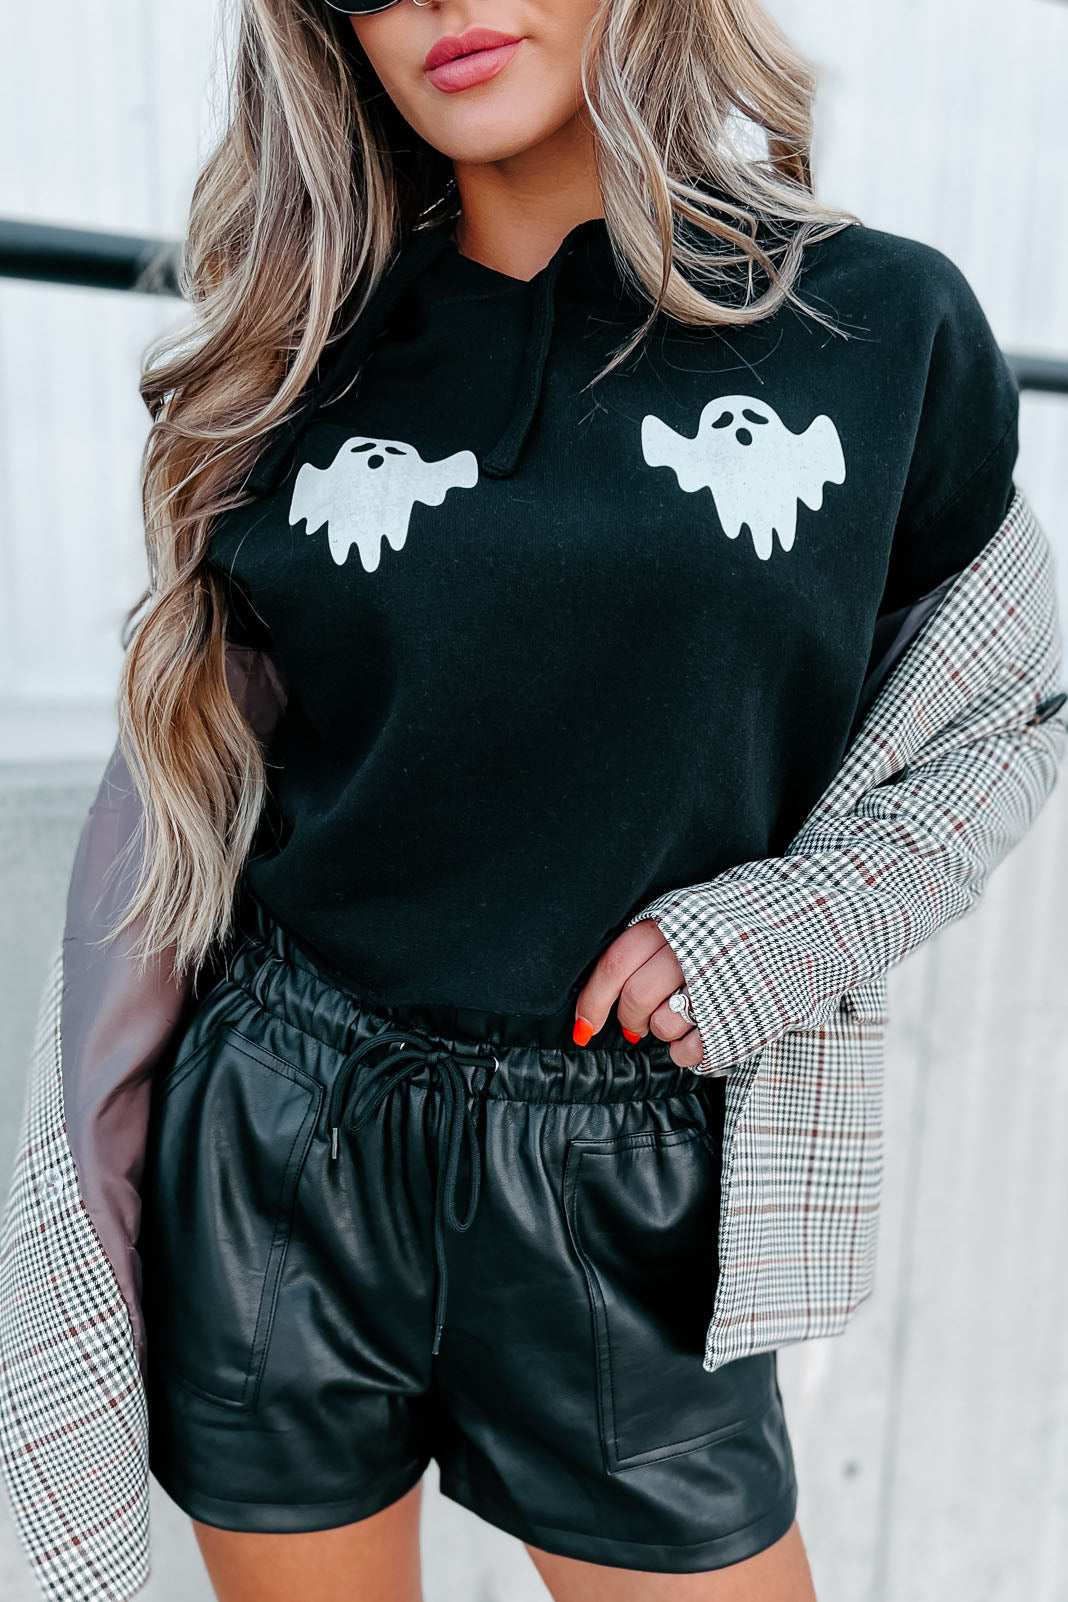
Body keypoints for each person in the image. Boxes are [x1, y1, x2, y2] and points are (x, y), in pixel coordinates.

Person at [1, 3, 1065, 1602]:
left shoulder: (877, 325)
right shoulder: (297, 347)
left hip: (627, 1172)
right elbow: (209, 773)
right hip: (283, 1138)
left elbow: (1007, 716)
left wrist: (783, 927)